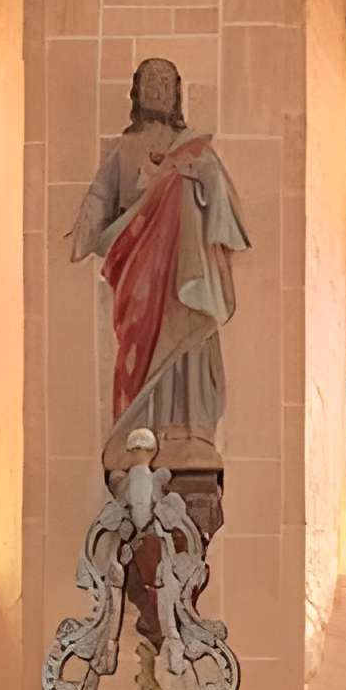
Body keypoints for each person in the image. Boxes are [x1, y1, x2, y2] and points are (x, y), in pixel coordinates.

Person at [70, 59, 251, 470]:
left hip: (185, 273)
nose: (156, 88)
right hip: (138, 270)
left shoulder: (196, 148)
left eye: (164, 82)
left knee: (188, 343)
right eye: (148, 82)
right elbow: (102, 195)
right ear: (136, 92)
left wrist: (192, 176)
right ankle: (140, 432)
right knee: (140, 347)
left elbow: (223, 202)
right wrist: (85, 226)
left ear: (176, 94)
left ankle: (187, 431)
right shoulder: (124, 148)